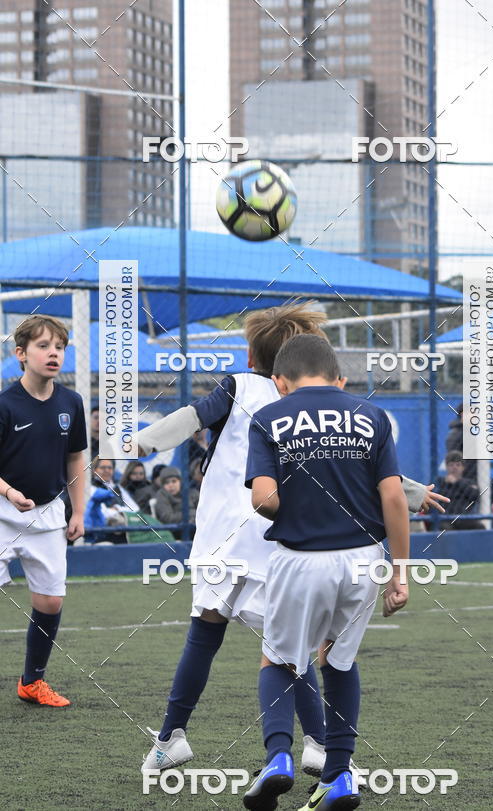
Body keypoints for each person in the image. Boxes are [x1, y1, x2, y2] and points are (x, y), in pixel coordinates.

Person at [138, 302, 440, 776]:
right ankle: (319, 744)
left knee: (205, 634)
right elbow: (359, 466)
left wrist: (139, 442)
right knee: (291, 651)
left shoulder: (238, 387)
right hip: (281, 540)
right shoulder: (325, 405)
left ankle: (171, 737)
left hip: (226, 535)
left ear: (258, 359)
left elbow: (191, 417)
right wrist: (417, 492)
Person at [242, 333, 409, 810]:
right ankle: (338, 776)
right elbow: (393, 497)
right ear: (340, 378)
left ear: (280, 381)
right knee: (338, 661)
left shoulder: (270, 416)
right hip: (363, 560)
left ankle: (278, 756)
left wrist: (296, 508)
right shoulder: (372, 416)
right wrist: (401, 574)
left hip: (301, 560)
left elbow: (263, 498)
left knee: (278, 660)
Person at [0, 314, 86, 707]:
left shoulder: (72, 402)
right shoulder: (4, 404)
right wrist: (9, 492)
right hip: (2, 513)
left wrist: (78, 512)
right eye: (43, 346)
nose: (53, 353)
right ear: (20, 354)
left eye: (60, 347)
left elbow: (76, 459)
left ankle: (31, 682)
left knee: (50, 601)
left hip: (49, 515)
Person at [84, 458, 139, 544]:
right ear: (94, 470)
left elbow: (135, 509)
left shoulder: (117, 487)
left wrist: (117, 509)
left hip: (122, 527)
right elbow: (103, 513)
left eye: (110, 468)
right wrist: (123, 510)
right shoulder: (90, 487)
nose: (107, 470)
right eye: (103, 468)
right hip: (102, 530)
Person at [433, 451, 483, 530]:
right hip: (446, 519)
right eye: (451, 465)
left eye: (458, 465)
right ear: (446, 467)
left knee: (480, 527)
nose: (454, 467)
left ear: (463, 467)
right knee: (444, 528)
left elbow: (475, 495)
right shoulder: (439, 482)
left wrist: (457, 482)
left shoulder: (469, 482)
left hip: (464, 519)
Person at [444, 404, 476, 483]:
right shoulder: (457, 434)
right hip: (464, 479)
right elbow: (453, 458)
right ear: (463, 415)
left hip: (472, 477)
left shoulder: (470, 432)